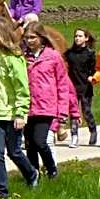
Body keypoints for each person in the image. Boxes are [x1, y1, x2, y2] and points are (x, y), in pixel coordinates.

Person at [0, 16, 39, 198]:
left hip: (12, 113)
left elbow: (21, 87)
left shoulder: (14, 59)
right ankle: (1, 191)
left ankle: (31, 173)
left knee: (14, 151)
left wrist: (21, 113)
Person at [22, 22, 70, 180]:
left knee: (40, 141)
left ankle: (52, 170)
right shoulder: (23, 57)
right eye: (26, 38)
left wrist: (62, 112)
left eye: (33, 38)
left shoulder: (53, 56)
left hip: (47, 107)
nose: (29, 41)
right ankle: (33, 175)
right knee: (29, 144)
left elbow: (63, 84)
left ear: (41, 38)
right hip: (28, 106)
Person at [64, 28, 98, 146]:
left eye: (80, 36)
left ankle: (93, 130)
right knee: (73, 113)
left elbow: (94, 70)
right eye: (76, 36)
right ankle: (74, 136)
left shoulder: (90, 53)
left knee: (86, 111)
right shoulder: (69, 53)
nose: (77, 38)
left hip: (85, 87)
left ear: (86, 38)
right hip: (72, 88)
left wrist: (92, 77)